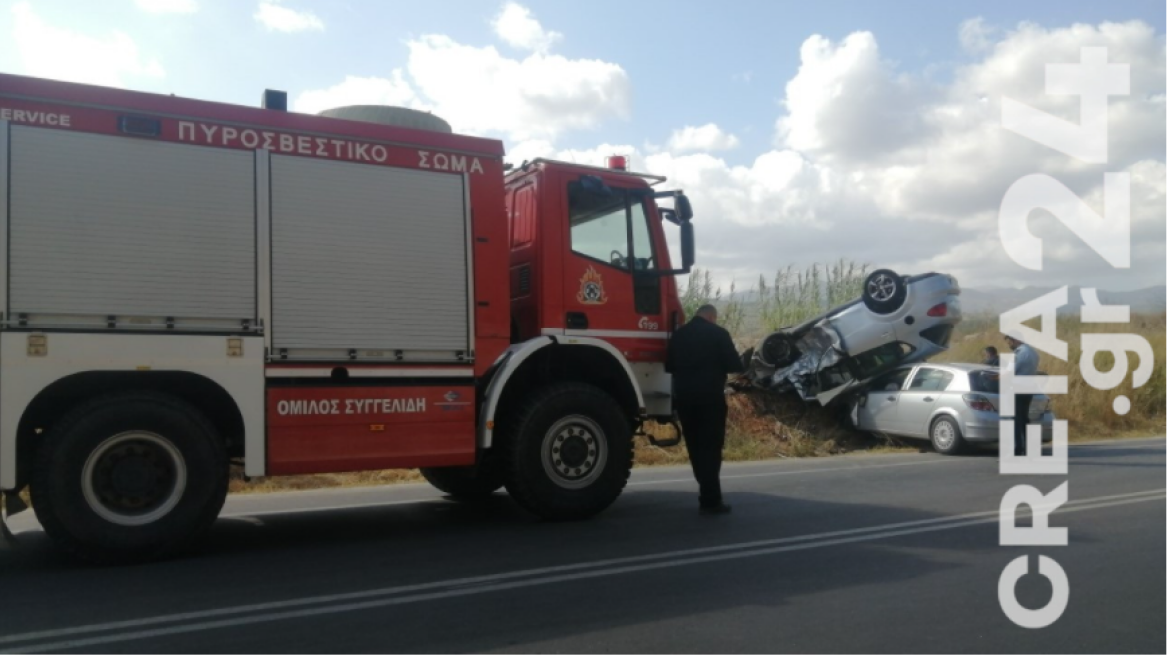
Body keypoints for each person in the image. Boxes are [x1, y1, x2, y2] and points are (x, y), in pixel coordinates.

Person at [665, 304, 745, 515]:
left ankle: (706, 491)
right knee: (711, 447)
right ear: (711, 317)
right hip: (710, 398)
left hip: (685, 398)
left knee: (695, 447)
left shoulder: (679, 335)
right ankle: (711, 499)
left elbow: (669, 366)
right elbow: (734, 365)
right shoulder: (718, 333)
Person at [1004, 334, 1039, 456]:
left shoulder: (1018, 353)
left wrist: (995, 377)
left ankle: (1017, 449)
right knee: (1024, 418)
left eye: (1010, 342)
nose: (1009, 345)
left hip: (1017, 388)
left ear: (1016, 339)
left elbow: (1009, 372)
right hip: (1029, 388)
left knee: (1015, 420)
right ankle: (1029, 449)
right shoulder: (1033, 352)